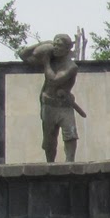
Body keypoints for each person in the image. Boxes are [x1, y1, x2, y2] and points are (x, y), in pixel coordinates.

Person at [18, 32, 80, 162]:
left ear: (68, 49)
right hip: (48, 104)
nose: (56, 48)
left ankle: (70, 163)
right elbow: (23, 55)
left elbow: (54, 80)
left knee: (70, 134)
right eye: (55, 45)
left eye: (60, 46)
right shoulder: (51, 58)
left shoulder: (70, 66)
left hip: (64, 106)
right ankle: (50, 164)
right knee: (49, 140)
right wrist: (41, 43)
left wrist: (46, 62)